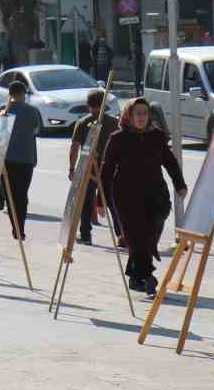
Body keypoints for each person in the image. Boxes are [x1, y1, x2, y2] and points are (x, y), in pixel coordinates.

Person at [99, 97, 186, 294]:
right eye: (137, 113)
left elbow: (169, 161)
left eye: (145, 113)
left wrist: (179, 184)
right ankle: (147, 277)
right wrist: (100, 200)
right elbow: (107, 169)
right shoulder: (118, 138)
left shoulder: (156, 136)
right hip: (126, 197)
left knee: (149, 236)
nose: (141, 117)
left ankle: (136, 276)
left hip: (156, 196)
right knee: (136, 237)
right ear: (129, 115)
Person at [68, 89, 116, 245]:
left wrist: (71, 168)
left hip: (88, 169)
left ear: (88, 105)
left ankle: (86, 234)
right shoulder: (114, 123)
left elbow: (74, 147)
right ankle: (121, 234)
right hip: (110, 169)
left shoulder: (83, 123)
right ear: (104, 104)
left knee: (85, 202)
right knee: (113, 203)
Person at [0, 80, 42, 239]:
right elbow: (36, 130)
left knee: (10, 195)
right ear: (23, 93)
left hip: (6, 160)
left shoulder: (1, 111)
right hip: (26, 159)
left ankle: (14, 226)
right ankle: (20, 229)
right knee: (22, 195)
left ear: (9, 94)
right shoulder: (32, 111)